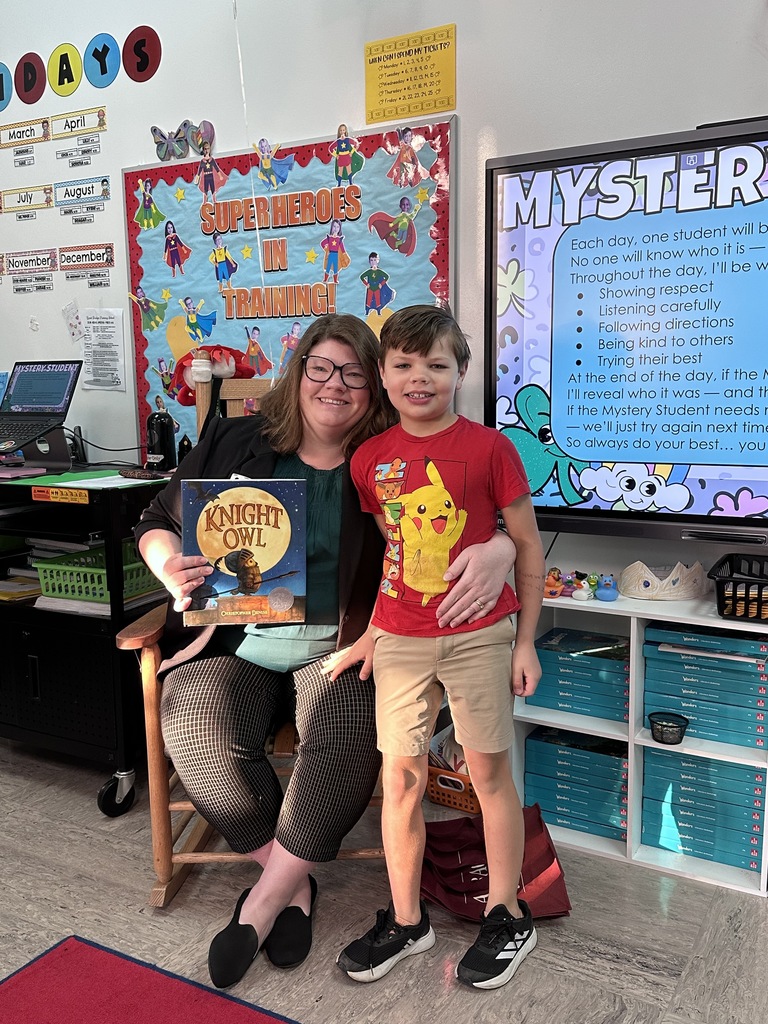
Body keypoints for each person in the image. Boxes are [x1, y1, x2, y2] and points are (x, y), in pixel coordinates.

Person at [134, 312, 517, 991]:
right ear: (300, 371)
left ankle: (260, 901)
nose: (335, 385)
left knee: (345, 739)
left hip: (343, 645)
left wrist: (504, 546)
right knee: (193, 729)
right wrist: (168, 563)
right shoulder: (234, 438)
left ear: (375, 389)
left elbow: (464, 525)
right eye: (321, 368)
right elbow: (157, 521)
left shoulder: (388, 462)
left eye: (354, 375)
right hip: (236, 639)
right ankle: (293, 881)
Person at [329, 304, 545, 990]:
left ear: (459, 373)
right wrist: (371, 633)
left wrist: (527, 643)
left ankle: (508, 913)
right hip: (399, 643)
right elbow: (388, 556)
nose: (419, 376)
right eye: (403, 364)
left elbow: (529, 548)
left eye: (436, 364)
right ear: (383, 377)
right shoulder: (368, 460)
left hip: (480, 638)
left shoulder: (491, 448)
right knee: (399, 779)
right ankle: (405, 918)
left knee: (487, 779)